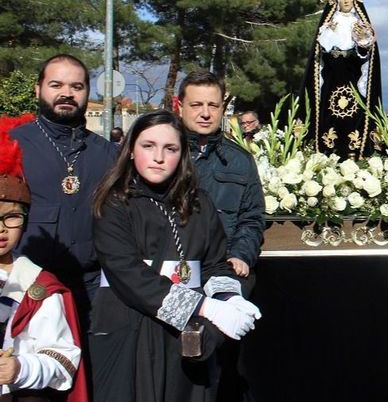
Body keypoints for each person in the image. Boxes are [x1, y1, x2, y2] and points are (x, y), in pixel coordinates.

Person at [89, 110, 261, 402]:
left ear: (182, 155)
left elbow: (214, 263)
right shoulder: (114, 204)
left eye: (170, 149)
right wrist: (206, 308)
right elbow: (129, 274)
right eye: (148, 146)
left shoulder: (198, 203)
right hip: (130, 328)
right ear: (130, 150)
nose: (159, 157)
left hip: (185, 337)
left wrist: (229, 299)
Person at [10, 54, 118, 328]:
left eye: (76, 87)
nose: (66, 94)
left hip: (92, 289)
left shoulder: (108, 154)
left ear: (86, 92)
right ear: (38, 88)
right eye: (56, 85)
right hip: (25, 288)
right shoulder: (13, 145)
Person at [177, 71, 266, 402]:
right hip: (175, 276)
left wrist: (242, 254)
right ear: (180, 106)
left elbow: (252, 216)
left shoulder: (240, 160)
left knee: (225, 371)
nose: (205, 113)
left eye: (213, 105)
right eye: (196, 104)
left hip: (225, 275)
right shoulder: (165, 155)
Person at [0, 115, 87, 401]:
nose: (1, 229)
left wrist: (21, 368)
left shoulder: (40, 287)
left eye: (11, 217)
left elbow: (63, 358)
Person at [298, 0, 382, 159]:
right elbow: (319, 58)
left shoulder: (359, 24)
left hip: (353, 82)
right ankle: (327, 154)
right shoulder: (328, 25)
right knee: (329, 121)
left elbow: (366, 60)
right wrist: (328, 37)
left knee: (355, 120)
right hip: (332, 82)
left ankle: (355, 154)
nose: (345, 0)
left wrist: (363, 45)